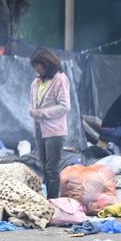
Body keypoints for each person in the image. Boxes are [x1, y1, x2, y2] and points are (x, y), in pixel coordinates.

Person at [29, 49, 70, 198]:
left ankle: (53, 202)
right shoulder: (36, 82)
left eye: (38, 65)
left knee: (51, 169)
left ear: (46, 63)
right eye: (34, 66)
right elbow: (34, 102)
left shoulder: (60, 79)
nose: (36, 69)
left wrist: (40, 113)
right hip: (39, 129)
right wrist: (32, 110)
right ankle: (46, 199)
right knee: (43, 167)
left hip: (55, 131)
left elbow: (65, 106)